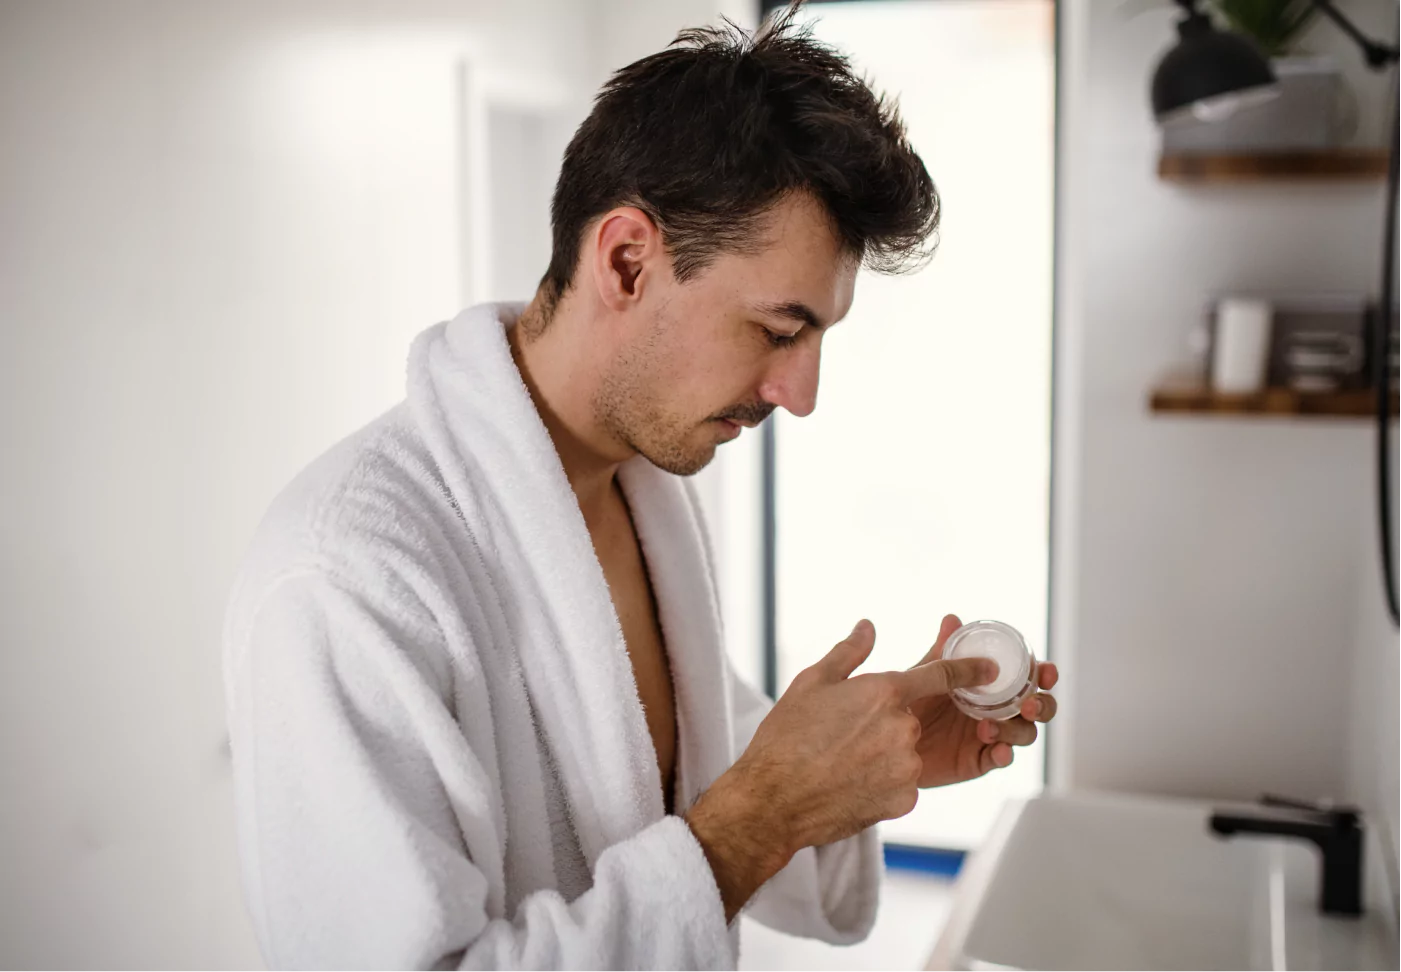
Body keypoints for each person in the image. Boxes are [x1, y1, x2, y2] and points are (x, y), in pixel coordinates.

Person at [221, 5, 1059, 971]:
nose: (802, 394)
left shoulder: (642, 490)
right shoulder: (343, 575)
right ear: (625, 260)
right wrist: (769, 810)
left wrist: (866, 762)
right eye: (779, 330)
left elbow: (685, 769)